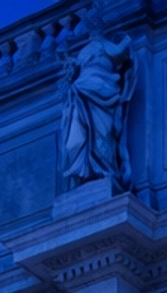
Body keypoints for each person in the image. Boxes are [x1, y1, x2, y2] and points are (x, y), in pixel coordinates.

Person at [60, 25, 135, 191]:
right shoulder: (85, 50)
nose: (93, 31)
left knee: (102, 133)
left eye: (96, 27)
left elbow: (119, 52)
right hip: (81, 90)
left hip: (103, 89)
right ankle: (82, 171)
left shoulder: (104, 44)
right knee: (74, 141)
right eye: (91, 28)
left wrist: (127, 39)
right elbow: (74, 65)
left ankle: (104, 169)